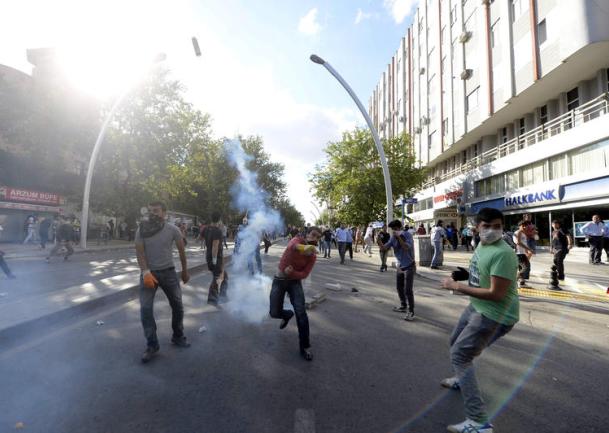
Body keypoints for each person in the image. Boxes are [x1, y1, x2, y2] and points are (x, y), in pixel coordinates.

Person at [440, 207, 519, 433]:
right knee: (455, 340)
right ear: (477, 228)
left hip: (494, 315)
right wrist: (464, 275)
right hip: (477, 307)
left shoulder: (503, 253)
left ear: (503, 228)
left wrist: (456, 286)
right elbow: (482, 272)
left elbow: (496, 294)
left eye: (497, 226)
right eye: (487, 226)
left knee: (461, 354)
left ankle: (479, 422)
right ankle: (460, 378)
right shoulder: (482, 245)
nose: (492, 231)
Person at [135, 201, 190, 363]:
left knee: (177, 306)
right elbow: (140, 253)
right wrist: (145, 272)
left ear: (164, 213)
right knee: (145, 310)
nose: (153, 213)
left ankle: (178, 336)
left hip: (169, 273)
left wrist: (185, 271)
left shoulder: (173, 230)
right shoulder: (142, 229)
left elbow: (181, 251)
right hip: (148, 274)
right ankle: (152, 345)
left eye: (156, 211)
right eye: (151, 210)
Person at [269, 227, 321, 361]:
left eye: (317, 237)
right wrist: (305, 248)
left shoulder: (312, 256)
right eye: (313, 235)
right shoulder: (296, 240)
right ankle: (287, 315)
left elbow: (304, 274)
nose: (314, 239)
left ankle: (305, 346)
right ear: (307, 235)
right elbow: (293, 246)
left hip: (294, 282)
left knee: (301, 313)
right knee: (274, 312)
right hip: (279, 280)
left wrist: (292, 273)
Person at [379, 220, 416, 321]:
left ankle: (411, 311)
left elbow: (405, 247)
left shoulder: (407, 235)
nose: (394, 231)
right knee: (399, 287)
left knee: (408, 289)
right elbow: (384, 248)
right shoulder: (393, 238)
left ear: (400, 228)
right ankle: (403, 305)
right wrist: (379, 241)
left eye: (396, 229)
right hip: (400, 265)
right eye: (392, 230)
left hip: (409, 265)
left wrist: (399, 237)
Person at [206, 212, 229, 306]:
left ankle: (221, 296)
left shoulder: (207, 229)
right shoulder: (217, 231)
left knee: (223, 276)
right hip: (216, 258)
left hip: (209, 256)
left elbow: (200, 238)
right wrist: (214, 261)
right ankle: (214, 298)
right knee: (218, 277)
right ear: (219, 220)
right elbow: (215, 246)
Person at [513, 220, 534, 287]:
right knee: (525, 267)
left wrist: (527, 251)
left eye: (525, 226)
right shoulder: (518, 232)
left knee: (523, 267)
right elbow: (518, 243)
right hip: (518, 253)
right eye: (523, 226)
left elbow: (524, 243)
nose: (524, 227)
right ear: (519, 226)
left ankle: (522, 282)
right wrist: (528, 249)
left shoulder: (523, 233)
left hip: (522, 253)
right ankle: (515, 280)